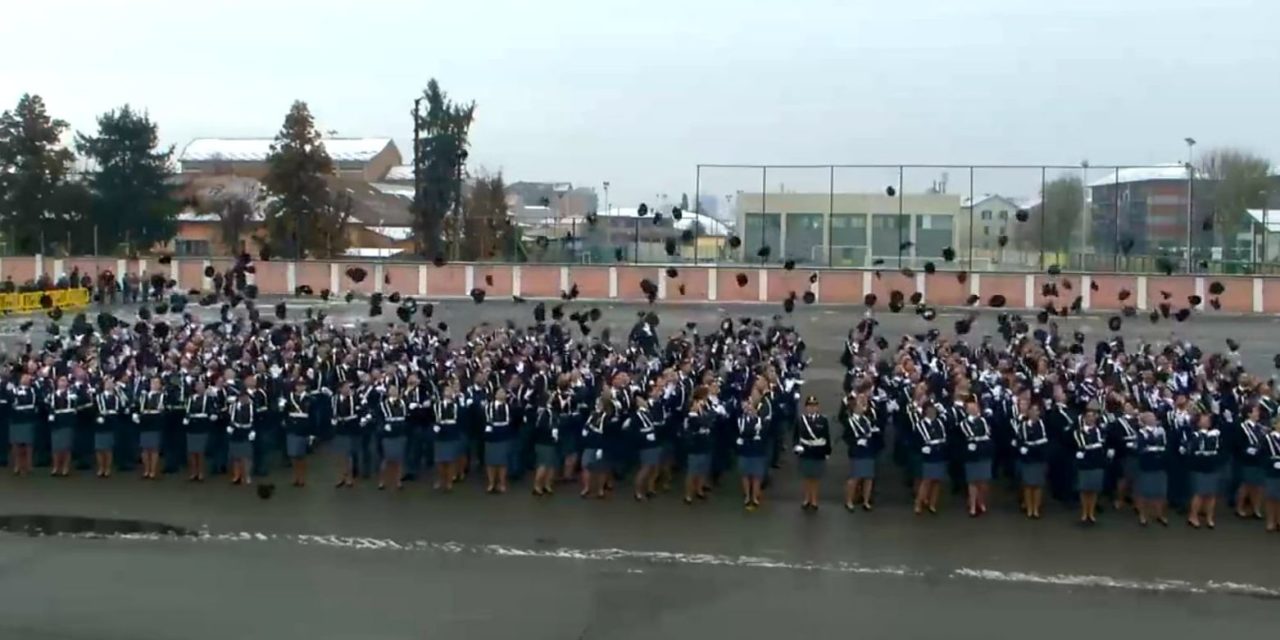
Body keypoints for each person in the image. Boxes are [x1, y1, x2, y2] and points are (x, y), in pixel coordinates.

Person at [794, 395, 831, 512]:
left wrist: (827, 451)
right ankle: (806, 499)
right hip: (806, 452)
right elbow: (796, 436)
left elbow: (826, 436)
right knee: (806, 477)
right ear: (806, 408)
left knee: (815, 478)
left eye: (814, 406)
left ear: (817, 407)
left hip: (818, 452)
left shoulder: (823, 420)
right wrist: (796, 446)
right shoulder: (801, 420)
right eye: (809, 406)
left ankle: (814, 499)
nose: (812, 408)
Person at [841, 394, 876, 512]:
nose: (863, 407)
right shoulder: (849, 421)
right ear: (855, 407)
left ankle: (866, 501)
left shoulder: (867, 420)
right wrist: (856, 442)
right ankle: (849, 501)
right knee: (855, 478)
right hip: (857, 452)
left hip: (868, 451)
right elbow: (846, 437)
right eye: (861, 405)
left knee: (868, 478)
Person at [1014, 402, 1049, 519]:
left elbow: (1044, 441)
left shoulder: (1042, 425)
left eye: (1036, 410)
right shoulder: (1022, 425)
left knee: (1038, 485)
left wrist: (1033, 446)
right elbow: (1018, 440)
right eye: (1032, 410)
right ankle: (1029, 508)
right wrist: (1021, 447)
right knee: (1028, 485)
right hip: (1027, 459)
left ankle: (1036, 508)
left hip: (1039, 458)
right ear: (1028, 412)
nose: (1034, 413)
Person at [960, 397, 994, 517]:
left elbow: (987, 434)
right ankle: (973, 506)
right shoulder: (964, 423)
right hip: (971, 456)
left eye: (975, 407)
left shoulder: (983, 421)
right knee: (973, 482)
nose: (974, 409)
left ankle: (981, 501)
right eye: (970, 407)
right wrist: (980, 439)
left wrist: (980, 439)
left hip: (984, 454)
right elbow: (970, 436)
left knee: (984, 482)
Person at [1188, 412, 1223, 529]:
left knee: (1211, 494)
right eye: (1204, 419)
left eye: (1208, 419)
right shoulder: (1195, 435)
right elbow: (1192, 450)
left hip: (1212, 466)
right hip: (1200, 467)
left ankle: (1209, 517)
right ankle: (1193, 516)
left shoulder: (1215, 434)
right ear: (1198, 422)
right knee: (1199, 493)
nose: (1207, 421)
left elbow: (1219, 449)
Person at [1074, 406, 1109, 525]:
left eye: (1093, 417)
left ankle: (1091, 512)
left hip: (1097, 462)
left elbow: (1102, 444)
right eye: (1088, 417)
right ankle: (1084, 512)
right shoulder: (1078, 432)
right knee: (1084, 489)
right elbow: (1079, 446)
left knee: (1094, 489)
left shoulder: (1100, 431)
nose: (1091, 419)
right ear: (1084, 418)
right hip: (1084, 464)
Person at [1136, 411, 1170, 527]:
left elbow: (1165, 445)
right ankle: (1143, 515)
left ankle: (1160, 514)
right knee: (1144, 492)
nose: (1153, 419)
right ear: (1145, 420)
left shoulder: (1161, 431)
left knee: (1160, 492)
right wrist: (1151, 448)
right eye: (1150, 417)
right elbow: (1140, 448)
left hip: (1160, 465)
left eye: (1153, 417)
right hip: (1147, 465)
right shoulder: (1141, 432)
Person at [1234, 404, 1267, 520]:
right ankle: (1239, 508)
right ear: (1248, 413)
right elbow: (1238, 444)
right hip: (1247, 460)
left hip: (1260, 459)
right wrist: (1249, 451)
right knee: (1246, 485)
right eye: (1255, 411)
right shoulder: (1242, 427)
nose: (1258, 413)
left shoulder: (1260, 427)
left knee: (1259, 486)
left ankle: (1256, 509)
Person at [735, 395, 768, 510]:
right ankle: (747, 496)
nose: (749, 408)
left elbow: (766, 434)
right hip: (744, 450)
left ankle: (754, 497)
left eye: (751, 405)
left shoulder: (761, 420)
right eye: (747, 405)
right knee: (745, 474)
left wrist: (760, 430)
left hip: (757, 451)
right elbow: (739, 433)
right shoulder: (740, 420)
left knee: (756, 475)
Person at [914, 402, 947, 515]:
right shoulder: (920, 425)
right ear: (925, 411)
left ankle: (932, 504)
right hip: (928, 456)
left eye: (933, 410)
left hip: (939, 454)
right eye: (930, 410)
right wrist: (922, 448)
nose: (932, 412)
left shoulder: (939, 423)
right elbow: (916, 441)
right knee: (926, 481)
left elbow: (943, 437)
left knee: (937, 481)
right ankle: (918, 503)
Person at [281, 379, 313, 487]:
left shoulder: (310, 399)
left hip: (304, 428)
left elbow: (313, 416)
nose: (300, 387)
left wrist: (312, 432)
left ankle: (302, 477)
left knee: (301, 455)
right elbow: (285, 412)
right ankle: (296, 476)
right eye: (298, 385)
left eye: (302, 385)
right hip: (292, 427)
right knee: (293, 454)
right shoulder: (289, 398)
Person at [681, 394, 712, 505]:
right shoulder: (691, 417)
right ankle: (688, 494)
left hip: (704, 445)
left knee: (702, 470)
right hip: (695, 448)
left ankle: (699, 490)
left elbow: (710, 420)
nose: (699, 404)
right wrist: (705, 415)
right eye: (696, 403)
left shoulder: (701, 414)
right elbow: (704, 422)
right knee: (692, 472)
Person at [185, 380, 218, 482]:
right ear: (195, 388)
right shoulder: (191, 398)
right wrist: (186, 418)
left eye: (202, 386)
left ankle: (200, 472)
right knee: (192, 451)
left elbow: (212, 409)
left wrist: (213, 415)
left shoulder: (209, 399)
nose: (200, 388)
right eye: (198, 386)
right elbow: (188, 410)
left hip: (202, 426)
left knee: (200, 451)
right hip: (191, 426)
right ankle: (193, 472)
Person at [432, 384, 464, 491]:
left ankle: (449, 481)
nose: (449, 392)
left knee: (450, 460)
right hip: (440, 434)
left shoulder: (457, 405)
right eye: (447, 390)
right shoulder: (437, 405)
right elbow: (433, 418)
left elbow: (461, 418)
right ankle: (441, 479)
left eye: (450, 390)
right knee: (440, 460)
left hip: (452, 433)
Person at [631, 395, 662, 502]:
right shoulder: (637, 415)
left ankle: (650, 489)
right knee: (646, 468)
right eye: (640, 400)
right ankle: (638, 492)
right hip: (646, 445)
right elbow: (634, 431)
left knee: (654, 468)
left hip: (655, 443)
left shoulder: (648, 412)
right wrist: (645, 435)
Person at [94, 377, 126, 478]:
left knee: (108, 448)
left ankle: (107, 468)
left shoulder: (117, 397)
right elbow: (94, 409)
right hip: (100, 424)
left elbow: (122, 409)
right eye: (106, 383)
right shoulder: (98, 397)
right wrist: (97, 417)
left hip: (111, 424)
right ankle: (101, 468)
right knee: (99, 448)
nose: (108, 385)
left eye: (110, 383)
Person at [483, 388, 513, 494]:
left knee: (502, 462)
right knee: (490, 461)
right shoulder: (488, 407)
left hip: (503, 435)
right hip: (491, 436)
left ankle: (502, 483)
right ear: (495, 395)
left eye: (503, 392)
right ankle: (491, 483)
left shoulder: (509, 407)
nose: (502, 394)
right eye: (499, 392)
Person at [378, 384, 408, 490]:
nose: (395, 391)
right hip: (388, 434)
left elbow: (407, 416)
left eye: (396, 389)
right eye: (392, 389)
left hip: (400, 432)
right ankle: (382, 480)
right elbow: (379, 418)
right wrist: (384, 426)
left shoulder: (403, 403)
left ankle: (398, 480)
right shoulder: (382, 404)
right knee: (387, 458)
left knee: (399, 459)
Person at [331, 380, 361, 488]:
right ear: (340, 389)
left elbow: (359, 412)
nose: (348, 389)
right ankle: (341, 476)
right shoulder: (334, 399)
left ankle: (349, 477)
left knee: (349, 454)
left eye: (349, 387)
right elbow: (332, 412)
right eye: (346, 387)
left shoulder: (355, 398)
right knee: (340, 454)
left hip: (350, 428)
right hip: (339, 428)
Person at [8, 374, 38, 476]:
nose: (26, 379)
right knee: (15, 444)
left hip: (28, 420)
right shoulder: (13, 390)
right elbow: (11, 403)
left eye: (28, 378)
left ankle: (28, 465)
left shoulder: (33, 390)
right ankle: (17, 465)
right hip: (16, 420)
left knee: (28, 444)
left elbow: (35, 404)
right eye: (24, 377)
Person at [48, 377, 78, 477]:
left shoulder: (72, 394)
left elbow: (75, 405)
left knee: (66, 447)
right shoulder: (53, 394)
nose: (62, 382)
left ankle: (66, 467)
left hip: (67, 421)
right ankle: (56, 467)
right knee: (56, 447)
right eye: (60, 380)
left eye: (64, 380)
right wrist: (51, 415)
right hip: (57, 422)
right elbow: (49, 407)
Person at [530, 395, 559, 496]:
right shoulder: (545, 413)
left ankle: (547, 485)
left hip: (549, 442)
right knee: (543, 464)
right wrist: (552, 432)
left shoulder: (548, 412)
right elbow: (541, 427)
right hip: (544, 442)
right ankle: (537, 486)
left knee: (550, 465)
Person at [137, 377, 166, 480]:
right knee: (145, 448)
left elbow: (163, 411)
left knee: (153, 448)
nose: (154, 384)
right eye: (152, 382)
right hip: (145, 423)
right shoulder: (144, 395)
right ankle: (146, 470)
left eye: (157, 382)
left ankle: (153, 470)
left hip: (155, 423)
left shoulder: (162, 396)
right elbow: (138, 407)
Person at [227, 393, 255, 485]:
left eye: (246, 397)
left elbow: (256, 419)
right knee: (236, 456)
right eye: (242, 397)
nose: (244, 399)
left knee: (246, 456)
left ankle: (246, 476)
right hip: (235, 432)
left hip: (247, 431)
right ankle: (237, 475)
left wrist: (253, 431)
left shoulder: (252, 407)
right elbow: (229, 418)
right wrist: (229, 427)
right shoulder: (232, 407)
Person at [1264, 419, 1280, 532]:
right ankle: (1270, 520)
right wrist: (1272, 463)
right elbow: (1262, 456)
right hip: (1272, 472)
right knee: (1272, 497)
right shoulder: (1268, 439)